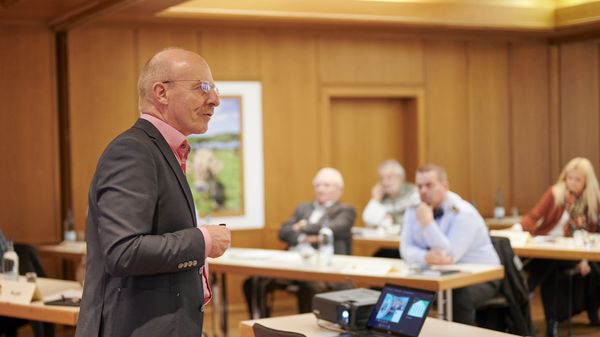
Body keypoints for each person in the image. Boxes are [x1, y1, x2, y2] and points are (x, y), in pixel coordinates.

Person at [75, 48, 231, 337]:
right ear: (161, 93)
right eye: (202, 88)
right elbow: (123, 252)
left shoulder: (163, 151)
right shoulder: (133, 151)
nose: (215, 100)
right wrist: (204, 240)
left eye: (214, 89)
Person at [243, 167, 356, 317]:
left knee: (308, 286)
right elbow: (283, 231)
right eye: (318, 185)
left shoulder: (345, 210)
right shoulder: (303, 208)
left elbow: (336, 228)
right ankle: (257, 324)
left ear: (339, 190)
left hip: (324, 268)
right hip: (292, 263)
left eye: (326, 185)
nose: (321, 189)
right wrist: (303, 238)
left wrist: (302, 226)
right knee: (254, 282)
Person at [401, 164, 500, 326]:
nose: (423, 191)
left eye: (429, 185)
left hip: (482, 277)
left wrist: (427, 224)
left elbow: (448, 256)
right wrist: (425, 256)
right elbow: (405, 249)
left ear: (445, 186)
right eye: (419, 186)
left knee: (457, 296)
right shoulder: (414, 209)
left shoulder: (463, 212)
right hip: (440, 273)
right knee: (404, 289)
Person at [518, 157, 600, 336]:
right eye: (570, 178)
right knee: (551, 261)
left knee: (553, 262)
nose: (572, 183)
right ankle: (549, 322)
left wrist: (583, 259)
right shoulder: (555, 193)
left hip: (572, 255)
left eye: (578, 179)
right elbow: (534, 216)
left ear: (587, 182)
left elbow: (590, 234)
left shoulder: (592, 201)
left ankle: (525, 293)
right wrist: (516, 228)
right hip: (546, 250)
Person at [362, 159, 419, 257]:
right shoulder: (382, 197)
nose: (384, 182)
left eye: (389, 178)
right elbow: (368, 221)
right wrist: (375, 199)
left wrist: (388, 219)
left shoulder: (413, 193)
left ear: (400, 178)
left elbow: (407, 223)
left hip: (411, 247)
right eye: (381, 178)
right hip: (390, 246)